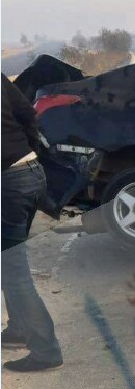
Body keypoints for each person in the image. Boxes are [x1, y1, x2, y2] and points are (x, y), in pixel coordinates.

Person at [1, 74, 63, 372]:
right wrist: (25, 149)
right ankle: (18, 329)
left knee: (15, 272)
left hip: (9, 184)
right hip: (31, 172)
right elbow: (28, 112)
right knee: (9, 261)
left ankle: (46, 350)